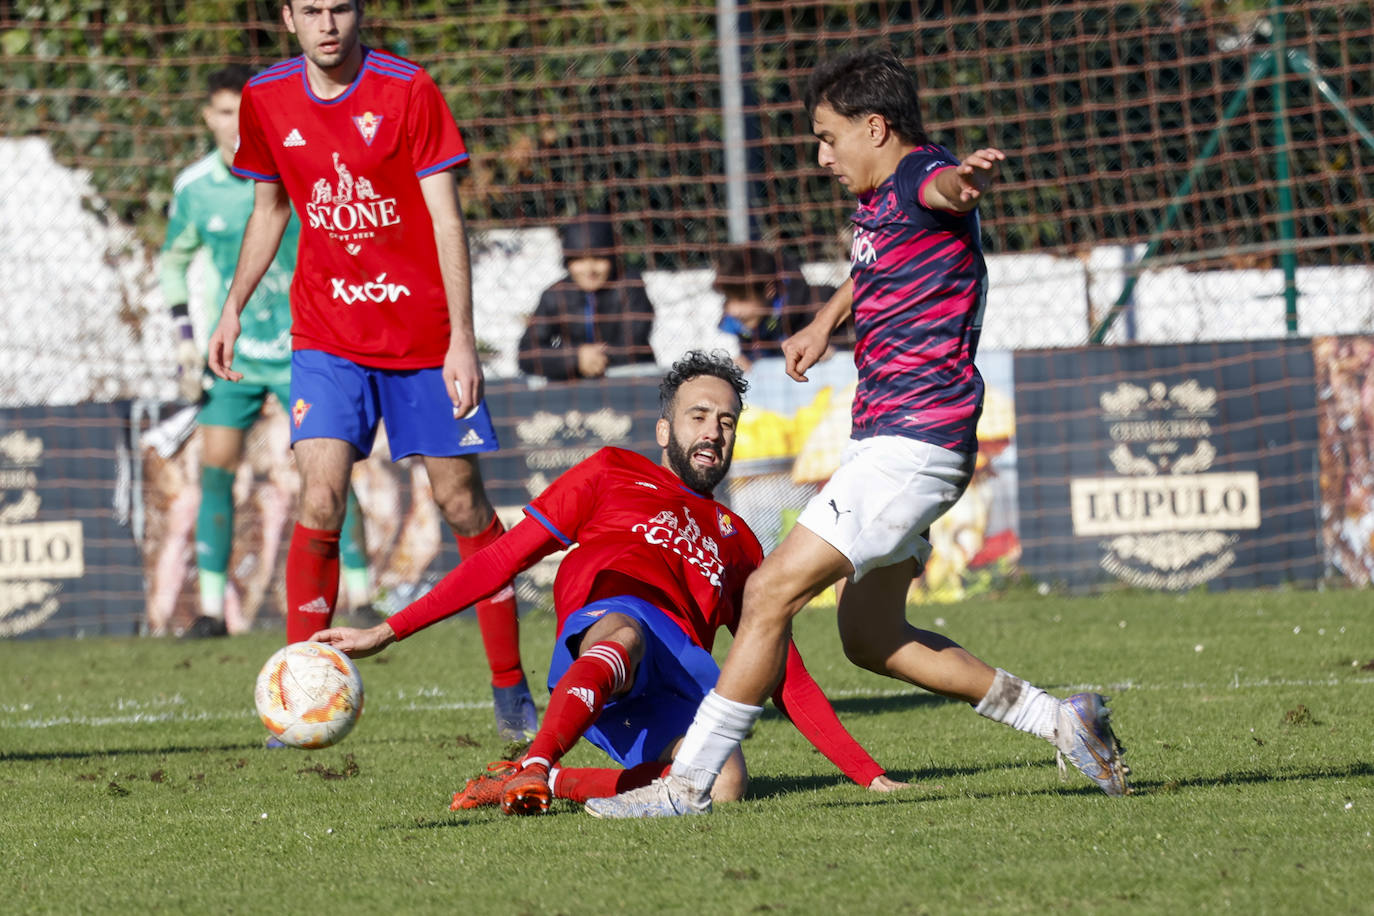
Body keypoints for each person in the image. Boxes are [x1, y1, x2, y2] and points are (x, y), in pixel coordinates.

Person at [588, 49, 1129, 818]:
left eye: (828, 136)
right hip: (899, 443)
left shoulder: (920, 178)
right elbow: (879, 261)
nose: (821, 155)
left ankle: (686, 786)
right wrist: (824, 317)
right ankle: (1059, 719)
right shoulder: (881, 199)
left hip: (914, 444)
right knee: (870, 638)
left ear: (875, 127)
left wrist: (967, 183)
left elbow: (943, 191)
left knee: (769, 590)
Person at [313, 350, 905, 815]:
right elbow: (501, 560)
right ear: (664, 429)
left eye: (727, 421)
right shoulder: (609, 471)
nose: (713, 431)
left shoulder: (740, 541)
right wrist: (387, 631)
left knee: (723, 786)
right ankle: (540, 759)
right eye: (697, 415)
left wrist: (866, 772)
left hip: (676, 677)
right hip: (606, 641)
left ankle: (548, 780)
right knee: (624, 628)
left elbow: (783, 670)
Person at [206, 0, 536, 741]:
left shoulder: (407, 89)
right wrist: (232, 307)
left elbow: (447, 218)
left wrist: (462, 339)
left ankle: (511, 688)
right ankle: (297, 687)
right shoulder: (265, 97)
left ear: (360, 14)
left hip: (423, 341)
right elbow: (270, 209)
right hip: (326, 336)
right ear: (287, 18)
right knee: (318, 495)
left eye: (341, 8)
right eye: (312, 9)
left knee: (461, 505)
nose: (328, 24)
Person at [159, 65, 370, 637]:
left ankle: (362, 593)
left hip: (307, 344)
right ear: (208, 116)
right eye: (224, 112)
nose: (234, 125)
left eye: (243, 112)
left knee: (327, 466)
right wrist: (185, 343)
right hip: (235, 356)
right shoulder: (195, 188)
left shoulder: (299, 168)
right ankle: (209, 609)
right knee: (217, 466)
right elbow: (173, 262)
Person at [516, 214, 656, 381]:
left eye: (598, 259)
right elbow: (527, 353)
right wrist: (576, 357)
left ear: (612, 257)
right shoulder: (555, 295)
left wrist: (595, 357)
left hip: (629, 383)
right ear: (568, 262)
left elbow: (633, 343)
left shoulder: (630, 286)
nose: (589, 269)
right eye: (579, 260)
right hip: (573, 389)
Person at [711, 243, 837, 371]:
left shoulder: (823, 306)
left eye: (742, 299)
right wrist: (745, 363)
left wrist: (836, 351)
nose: (733, 310)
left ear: (769, 290)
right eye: (728, 298)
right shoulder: (738, 326)